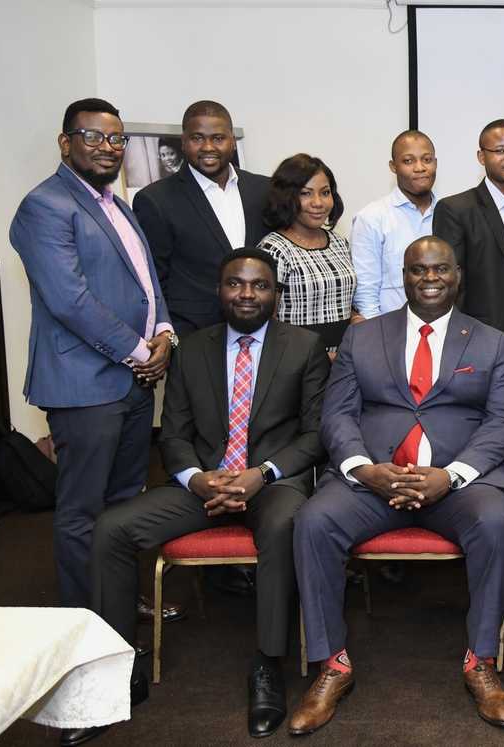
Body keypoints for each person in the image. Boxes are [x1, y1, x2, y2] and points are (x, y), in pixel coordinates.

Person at [89, 248, 328, 741]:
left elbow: (315, 435)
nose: (246, 294)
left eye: (259, 285)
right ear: (219, 291)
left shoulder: (304, 347)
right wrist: (197, 479)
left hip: (272, 481)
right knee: (112, 528)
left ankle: (267, 664)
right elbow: (172, 433)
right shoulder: (192, 349)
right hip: (204, 483)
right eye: (235, 284)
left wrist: (261, 473)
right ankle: (119, 664)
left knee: (285, 524)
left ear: (276, 295)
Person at [290, 236, 504, 732]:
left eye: (439, 270)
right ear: (404, 276)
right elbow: (337, 415)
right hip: (374, 478)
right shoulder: (363, 336)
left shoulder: (491, 340)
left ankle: (481, 661)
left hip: (455, 482)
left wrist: (451, 475)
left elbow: (502, 423)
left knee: (496, 521)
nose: (430, 279)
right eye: (418, 270)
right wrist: (364, 469)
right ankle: (332, 664)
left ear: (457, 275)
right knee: (313, 520)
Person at [9, 98, 177, 747]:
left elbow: (146, 282)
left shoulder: (118, 205)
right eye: (94, 136)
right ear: (65, 142)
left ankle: (117, 610)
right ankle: (88, 637)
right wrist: (139, 353)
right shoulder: (44, 208)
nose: (108, 147)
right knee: (82, 516)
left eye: (116, 138)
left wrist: (162, 330)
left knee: (122, 507)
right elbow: (69, 298)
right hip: (86, 387)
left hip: (132, 385)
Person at [134, 100, 271, 335]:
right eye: (197, 138)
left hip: (261, 330)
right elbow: (154, 282)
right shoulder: (155, 200)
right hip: (195, 336)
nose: (208, 146)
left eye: (218, 138)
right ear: (184, 143)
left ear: (232, 143)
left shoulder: (264, 189)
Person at [433, 119, 504, 366]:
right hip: (486, 338)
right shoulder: (456, 209)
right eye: (500, 150)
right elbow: (449, 285)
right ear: (481, 157)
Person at [257, 153, 355, 353]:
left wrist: (357, 318)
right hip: (297, 364)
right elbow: (267, 323)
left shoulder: (340, 243)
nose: (318, 202)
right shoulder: (274, 249)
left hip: (344, 362)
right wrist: (316, 358)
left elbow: (342, 302)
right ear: (287, 197)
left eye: (325, 192)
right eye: (306, 193)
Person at [351, 130, 437, 321]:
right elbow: (366, 290)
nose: (420, 167)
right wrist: (375, 336)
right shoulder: (372, 218)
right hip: (391, 333)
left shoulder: (450, 213)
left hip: (445, 333)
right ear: (393, 166)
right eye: (408, 161)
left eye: (427, 159)